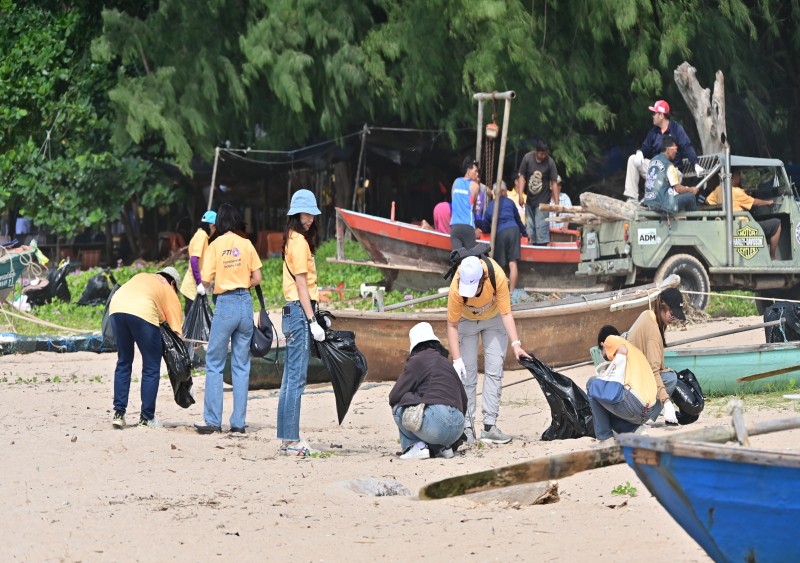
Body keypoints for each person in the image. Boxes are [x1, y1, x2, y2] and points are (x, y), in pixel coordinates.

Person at [447, 256, 532, 445]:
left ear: (482, 280)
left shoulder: (496, 275)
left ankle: (489, 427)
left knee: (494, 370)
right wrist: (457, 360)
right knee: (467, 374)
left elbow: (506, 313)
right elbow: (452, 325)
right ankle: (467, 428)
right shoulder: (456, 285)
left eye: (474, 289)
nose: (470, 294)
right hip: (466, 321)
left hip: (494, 319)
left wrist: (516, 344)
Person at [194, 204, 262, 434]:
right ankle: (238, 423)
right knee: (241, 365)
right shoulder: (246, 244)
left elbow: (205, 281)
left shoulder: (215, 245)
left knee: (214, 363)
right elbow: (257, 277)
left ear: (220, 222)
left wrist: (218, 284)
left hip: (225, 305)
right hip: (245, 305)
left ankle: (213, 421)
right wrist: (242, 283)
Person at [277, 189, 326, 456]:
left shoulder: (292, 239)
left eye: (312, 215)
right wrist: (312, 320)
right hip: (298, 312)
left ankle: (287, 438)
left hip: (291, 312)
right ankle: (292, 440)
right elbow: (301, 284)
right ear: (296, 214)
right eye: (307, 214)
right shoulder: (299, 243)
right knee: (296, 379)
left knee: (289, 378)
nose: (310, 219)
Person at [109, 266, 183, 428]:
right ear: (173, 283)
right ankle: (146, 418)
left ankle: (119, 413)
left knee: (124, 361)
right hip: (142, 311)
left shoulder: (144, 277)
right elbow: (176, 328)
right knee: (151, 365)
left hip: (116, 308)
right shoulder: (167, 287)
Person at [389, 322, 468, 460]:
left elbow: (394, 396)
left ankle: (416, 446)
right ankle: (443, 448)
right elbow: (464, 399)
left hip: (438, 425)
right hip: (458, 427)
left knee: (398, 406)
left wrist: (413, 397)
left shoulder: (417, 360)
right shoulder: (446, 363)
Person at [625, 287, 686, 425]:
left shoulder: (647, 315)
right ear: (663, 306)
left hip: (631, 376)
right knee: (670, 378)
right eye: (672, 314)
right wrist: (667, 402)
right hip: (633, 384)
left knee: (666, 373)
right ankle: (647, 418)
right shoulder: (653, 332)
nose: (673, 319)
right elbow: (653, 371)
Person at [587, 325, 658, 440]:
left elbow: (622, 350)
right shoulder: (635, 351)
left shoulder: (611, 339)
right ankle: (634, 430)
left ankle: (604, 438)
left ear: (603, 345)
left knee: (592, 384)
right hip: (648, 410)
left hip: (634, 406)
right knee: (604, 400)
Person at [624, 99, 702, 203]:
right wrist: (640, 153)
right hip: (657, 169)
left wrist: (695, 164)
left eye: (654, 113)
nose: (652, 116)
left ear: (661, 115)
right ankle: (632, 199)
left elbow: (687, 146)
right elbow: (645, 148)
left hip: (672, 171)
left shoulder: (676, 128)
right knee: (632, 159)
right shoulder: (653, 132)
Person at [706, 168, 782, 260]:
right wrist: (768, 202)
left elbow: (708, 201)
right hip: (743, 226)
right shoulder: (737, 192)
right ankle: (773, 257)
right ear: (733, 176)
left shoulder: (719, 189)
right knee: (776, 224)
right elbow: (754, 202)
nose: (740, 177)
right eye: (739, 174)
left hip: (730, 224)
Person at [481, 181, 525, 292]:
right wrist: (525, 234)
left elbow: (485, 227)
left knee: (501, 265)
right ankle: (511, 292)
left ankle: (502, 292)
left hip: (500, 232)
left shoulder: (490, 206)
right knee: (513, 263)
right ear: (504, 191)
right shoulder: (510, 202)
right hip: (514, 230)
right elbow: (518, 221)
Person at [643, 135, 700, 213]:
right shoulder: (669, 165)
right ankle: (694, 221)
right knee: (690, 197)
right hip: (661, 205)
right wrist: (691, 190)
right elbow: (678, 189)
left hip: (649, 204)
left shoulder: (652, 161)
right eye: (675, 149)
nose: (676, 152)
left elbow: (646, 184)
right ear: (668, 150)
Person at [518, 139, 559, 245]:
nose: (543, 156)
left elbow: (554, 183)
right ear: (536, 151)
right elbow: (522, 176)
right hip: (530, 201)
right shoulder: (527, 158)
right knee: (529, 232)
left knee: (541, 231)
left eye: (545, 154)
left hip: (543, 202)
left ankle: (542, 248)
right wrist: (520, 195)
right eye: (541, 154)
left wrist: (557, 203)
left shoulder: (550, 162)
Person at [180, 210, 217, 314]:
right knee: (194, 319)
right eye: (215, 227)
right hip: (193, 287)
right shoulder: (202, 236)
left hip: (192, 285)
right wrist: (199, 283)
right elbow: (194, 260)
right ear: (212, 225)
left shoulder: (199, 234)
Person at [450, 157, 480, 250]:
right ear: (468, 171)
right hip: (468, 226)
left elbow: (453, 201)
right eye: (475, 171)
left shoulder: (456, 182)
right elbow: (474, 209)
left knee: (457, 256)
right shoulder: (475, 186)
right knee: (471, 256)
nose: (477, 174)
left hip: (454, 226)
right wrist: (476, 228)